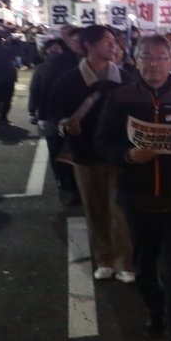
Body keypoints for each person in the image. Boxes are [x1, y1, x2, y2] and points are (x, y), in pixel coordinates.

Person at [95, 35, 171, 341]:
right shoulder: (119, 98)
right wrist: (128, 154)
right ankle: (156, 313)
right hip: (137, 198)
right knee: (144, 265)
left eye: (160, 57)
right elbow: (102, 142)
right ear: (135, 60)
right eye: (147, 57)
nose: (154, 64)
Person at [49, 25, 135, 282]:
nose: (114, 46)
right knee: (95, 208)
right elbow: (54, 114)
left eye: (115, 41)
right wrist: (65, 125)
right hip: (85, 154)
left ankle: (124, 262)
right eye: (107, 41)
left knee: (119, 209)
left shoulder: (126, 78)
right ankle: (104, 259)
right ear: (89, 45)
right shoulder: (68, 80)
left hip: (118, 154)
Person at [27, 37, 80, 203]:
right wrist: (34, 111)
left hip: (57, 116)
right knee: (61, 150)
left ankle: (66, 183)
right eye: (53, 48)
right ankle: (66, 183)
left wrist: (34, 112)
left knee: (61, 151)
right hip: (56, 116)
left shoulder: (47, 68)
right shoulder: (49, 68)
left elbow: (36, 91)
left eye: (58, 48)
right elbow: (36, 91)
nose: (55, 51)